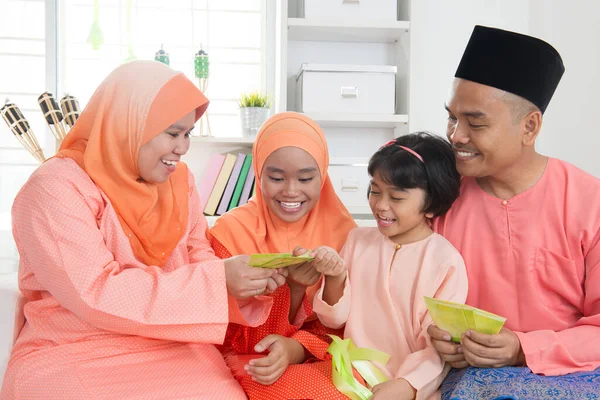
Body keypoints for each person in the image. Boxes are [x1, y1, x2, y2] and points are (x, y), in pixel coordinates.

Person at [0, 60, 286, 399]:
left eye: (188, 134)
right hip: (74, 346)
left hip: (174, 344)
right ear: (128, 125)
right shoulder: (55, 188)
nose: (183, 148)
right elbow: (94, 292)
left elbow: (198, 256)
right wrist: (219, 280)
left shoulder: (180, 182)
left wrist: (242, 283)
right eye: (172, 133)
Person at [429, 25, 600, 393]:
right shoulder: (439, 200)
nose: (456, 135)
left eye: (475, 123)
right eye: (452, 118)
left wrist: (523, 348)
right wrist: (435, 337)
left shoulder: (591, 202)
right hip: (471, 380)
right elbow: (409, 300)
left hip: (577, 372)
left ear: (530, 126)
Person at [208, 111, 358, 399]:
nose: (291, 191)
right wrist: (293, 290)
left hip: (320, 355)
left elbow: (350, 328)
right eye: (276, 177)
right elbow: (223, 333)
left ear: (323, 176)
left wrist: (296, 348)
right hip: (253, 359)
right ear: (259, 174)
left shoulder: (346, 235)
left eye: (305, 178)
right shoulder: (228, 233)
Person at [314, 132, 467, 400]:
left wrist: (409, 385)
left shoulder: (446, 261)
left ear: (431, 204)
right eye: (374, 191)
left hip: (409, 384)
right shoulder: (357, 240)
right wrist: (335, 277)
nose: (380, 205)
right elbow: (332, 320)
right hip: (347, 372)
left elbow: (439, 347)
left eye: (396, 198)